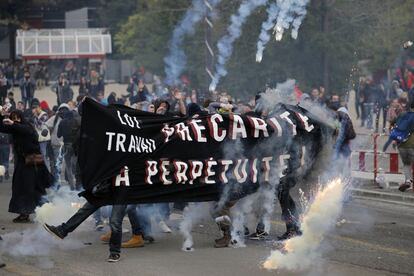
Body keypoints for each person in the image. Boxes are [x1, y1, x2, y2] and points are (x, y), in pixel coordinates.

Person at [0, 108, 52, 222]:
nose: (15, 120)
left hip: (32, 165)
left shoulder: (27, 126)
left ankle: (44, 212)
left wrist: (13, 123)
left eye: (17, 118)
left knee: (31, 189)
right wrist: (2, 115)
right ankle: (24, 213)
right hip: (22, 163)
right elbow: (2, 127)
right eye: (13, 118)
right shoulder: (15, 128)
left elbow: (25, 130)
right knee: (20, 188)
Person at [57, 108, 81, 190]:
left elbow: (58, 135)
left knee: (68, 167)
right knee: (77, 165)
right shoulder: (77, 121)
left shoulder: (62, 122)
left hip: (67, 145)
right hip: (76, 146)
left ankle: (72, 186)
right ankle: (78, 185)